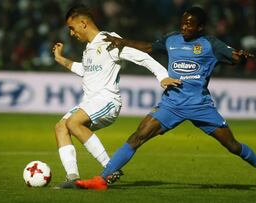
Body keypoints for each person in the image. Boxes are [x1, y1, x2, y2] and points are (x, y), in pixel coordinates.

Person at [74, 6, 256, 192]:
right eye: (183, 23)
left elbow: (234, 58)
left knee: (232, 145)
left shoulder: (211, 44)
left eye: (189, 24)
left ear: (200, 27)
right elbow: (149, 47)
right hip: (171, 104)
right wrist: (122, 42)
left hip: (200, 105)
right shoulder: (172, 39)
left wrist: (241, 58)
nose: (184, 27)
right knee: (137, 137)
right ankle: (102, 179)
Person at [52, 4, 181, 188]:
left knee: (73, 122)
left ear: (83, 23)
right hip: (91, 101)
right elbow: (85, 70)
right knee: (60, 127)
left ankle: (110, 168)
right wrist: (61, 60)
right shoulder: (89, 47)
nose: (71, 33)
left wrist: (163, 76)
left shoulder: (109, 40)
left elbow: (141, 57)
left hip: (107, 101)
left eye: (72, 28)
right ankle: (72, 177)